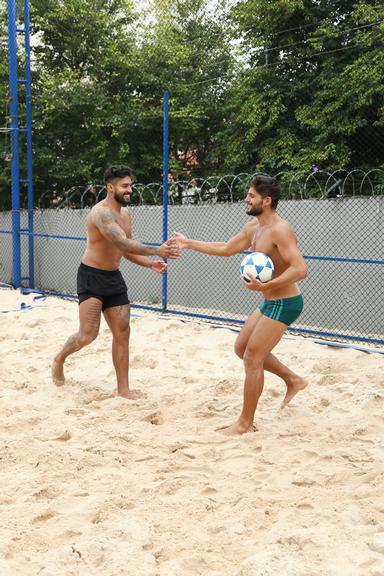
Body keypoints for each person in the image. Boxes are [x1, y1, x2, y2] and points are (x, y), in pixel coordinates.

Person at [173, 175, 308, 436]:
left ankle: (245, 424)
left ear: (266, 201)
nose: (246, 199)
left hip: (285, 302)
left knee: (252, 357)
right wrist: (189, 243)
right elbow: (225, 248)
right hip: (270, 301)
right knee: (241, 348)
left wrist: (268, 286)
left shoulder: (280, 229)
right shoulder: (253, 228)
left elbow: (301, 269)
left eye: (251, 195)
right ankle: (293, 380)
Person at [51, 165, 180, 399]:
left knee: (123, 332)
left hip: (113, 278)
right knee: (87, 335)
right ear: (110, 188)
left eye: (130, 185)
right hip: (91, 276)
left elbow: (126, 250)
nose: (130, 189)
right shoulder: (100, 213)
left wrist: (150, 263)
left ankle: (123, 390)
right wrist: (157, 250)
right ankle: (60, 358)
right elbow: (122, 242)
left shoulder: (126, 214)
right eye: (125, 186)